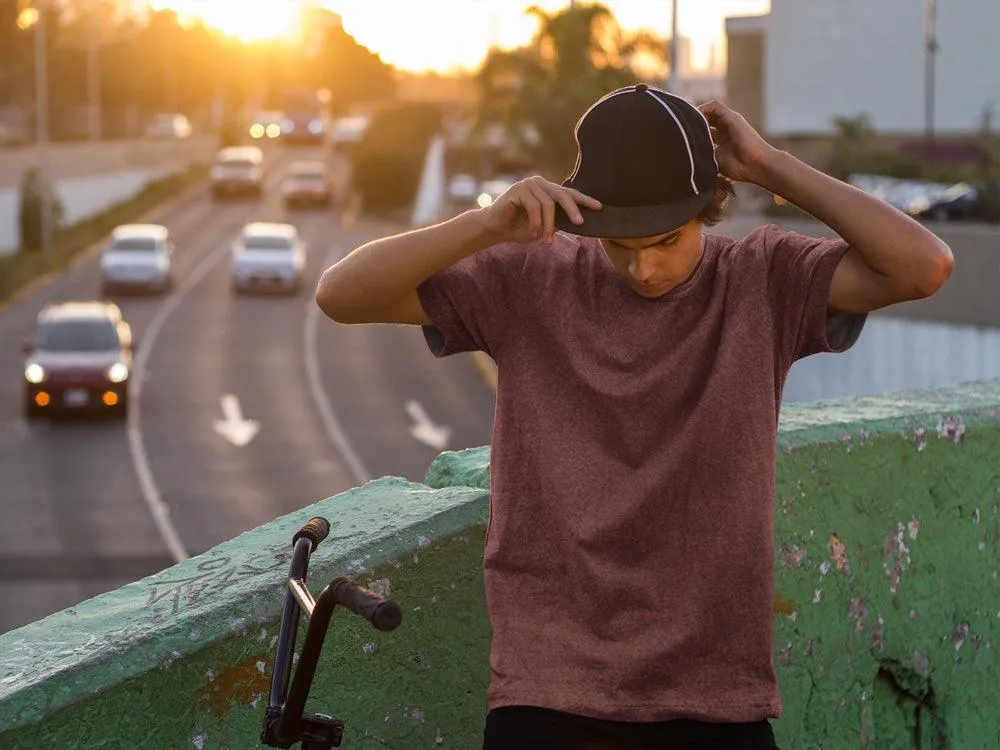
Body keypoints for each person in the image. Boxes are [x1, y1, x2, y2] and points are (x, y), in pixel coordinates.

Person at [315, 84, 953, 749]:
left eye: (666, 240)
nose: (643, 266)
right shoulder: (529, 277)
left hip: (715, 697)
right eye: (620, 244)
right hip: (549, 692)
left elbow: (924, 266)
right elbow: (341, 294)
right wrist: (484, 225)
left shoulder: (763, 279)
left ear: (710, 207)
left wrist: (767, 164)